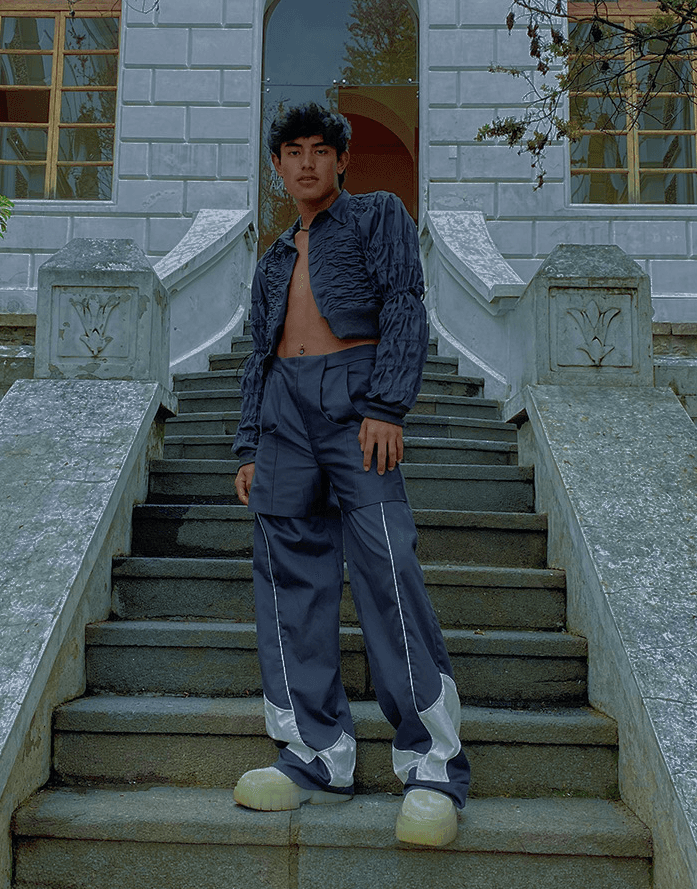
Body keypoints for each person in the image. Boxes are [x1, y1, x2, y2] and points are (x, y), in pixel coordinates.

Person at [232, 102, 470, 847]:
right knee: (288, 581)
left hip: (355, 396)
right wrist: (248, 444)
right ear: (277, 167)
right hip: (283, 412)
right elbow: (257, 353)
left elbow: (403, 303)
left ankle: (431, 765)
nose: (305, 162)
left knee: (386, 566)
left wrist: (387, 404)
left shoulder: (377, 215)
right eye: (292, 152)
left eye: (319, 150)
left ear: (340, 160)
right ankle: (314, 754)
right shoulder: (273, 257)